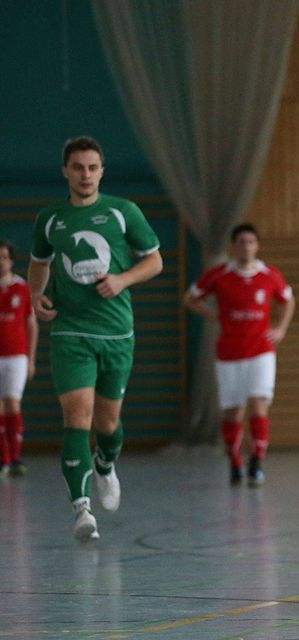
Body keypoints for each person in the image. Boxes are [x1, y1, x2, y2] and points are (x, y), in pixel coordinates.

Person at [28, 136, 163, 541]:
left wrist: (122, 279)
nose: (85, 175)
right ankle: (81, 510)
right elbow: (38, 264)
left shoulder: (123, 213)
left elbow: (155, 260)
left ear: (102, 170)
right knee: (77, 417)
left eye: (92, 167)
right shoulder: (50, 219)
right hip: (70, 333)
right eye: (77, 167)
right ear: (65, 172)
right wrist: (37, 296)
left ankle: (105, 465)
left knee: (108, 423)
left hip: (117, 334)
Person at [183, 223, 295, 487]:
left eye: (251, 242)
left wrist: (280, 329)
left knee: (258, 404)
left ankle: (257, 463)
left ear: (257, 246)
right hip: (229, 353)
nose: (246, 246)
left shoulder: (269, 275)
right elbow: (189, 298)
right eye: (241, 242)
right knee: (233, 413)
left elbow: (288, 299)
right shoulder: (219, 275)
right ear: (234, 246)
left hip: (260, 352)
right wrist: (211, 314)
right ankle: (235, 462)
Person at [0, 240, 38, 477]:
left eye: (4, 257)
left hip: (16, 356)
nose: (1, 262)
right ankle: (3, 460)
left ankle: (15, 458)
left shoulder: (22, 287)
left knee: (13, 403)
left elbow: (31, 324)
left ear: (11, 260)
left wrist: (31, 358)